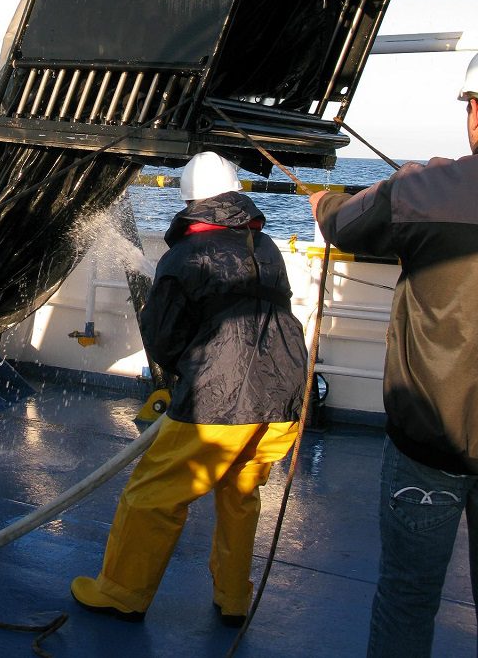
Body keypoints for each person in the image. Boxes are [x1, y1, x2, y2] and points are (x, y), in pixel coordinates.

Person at [71, 151, 308, 626]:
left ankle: (121, 593)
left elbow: (163, 338)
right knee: (240, 494)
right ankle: (233, 598)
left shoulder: (184, 255)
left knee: (153, 494)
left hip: (220, 403)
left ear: (190, 203)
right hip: (283, 395)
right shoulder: (264, 246)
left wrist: (186, 374)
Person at [309, 53, 478, 658]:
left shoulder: (419, 188)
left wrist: (325, 202)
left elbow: (345, 226)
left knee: (408, 598)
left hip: (428, 445)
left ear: (474, 115)